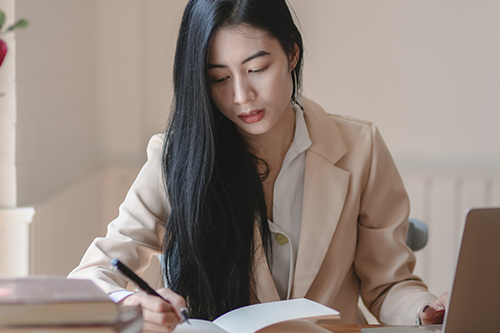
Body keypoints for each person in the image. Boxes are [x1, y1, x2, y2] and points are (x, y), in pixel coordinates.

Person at [68, 0, 449, 331]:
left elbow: (389, 285)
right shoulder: (175, 157)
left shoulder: (360, 148)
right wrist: (129, 304)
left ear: (292, 54)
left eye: (257, 69)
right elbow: (91, 276)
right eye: (218, 78)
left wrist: (424, 310)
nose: (241, 96)